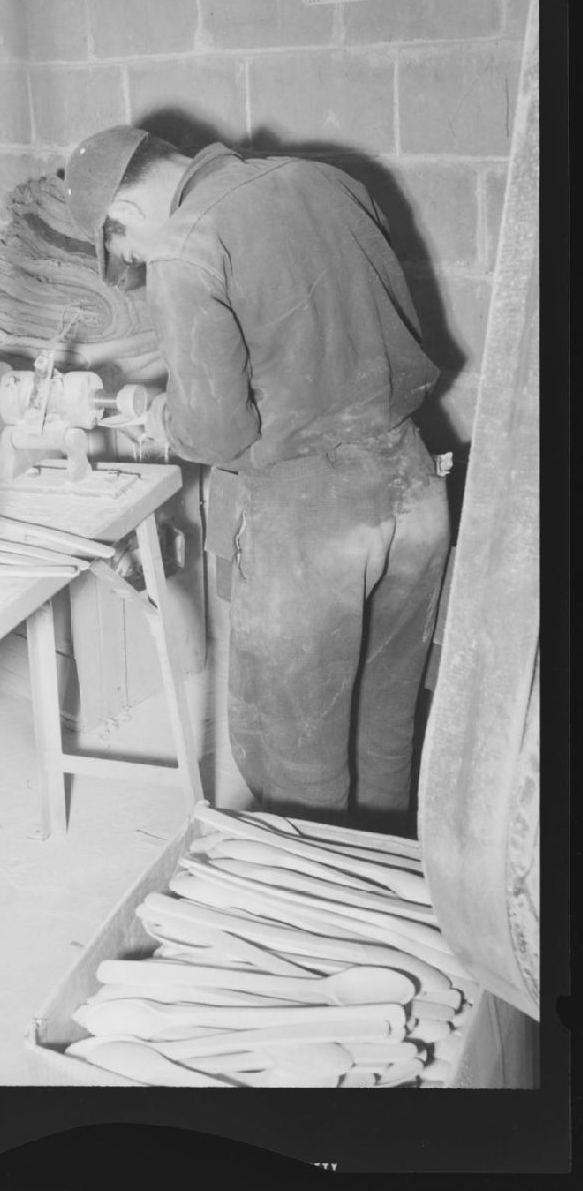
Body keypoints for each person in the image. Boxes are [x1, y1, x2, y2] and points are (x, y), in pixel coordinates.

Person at [64, 126, 451, 829]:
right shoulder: (325, 180)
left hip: (311, 523)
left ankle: (311, 891)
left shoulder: (185, 244)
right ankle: (378, 880)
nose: (141, 260)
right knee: (385, 728)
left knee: (295, 760)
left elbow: (217, 433)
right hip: (414, 485)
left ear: (126, 212)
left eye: (129, 250)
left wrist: (161, 415)